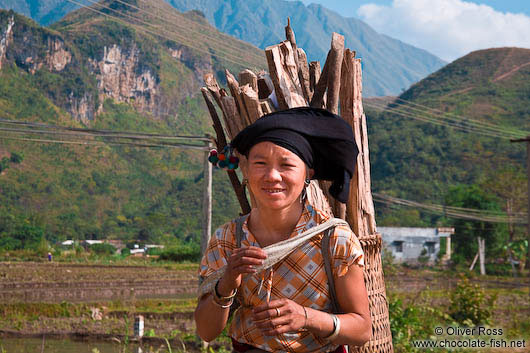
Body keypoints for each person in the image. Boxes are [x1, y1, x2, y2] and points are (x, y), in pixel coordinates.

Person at [195, 107, 371, 352]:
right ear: (245, 170)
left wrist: (306, 317)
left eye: (286, 165)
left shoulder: (333, 240)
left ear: (308, 173)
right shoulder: (228, 239)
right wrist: (226, 282)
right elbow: (206, 332)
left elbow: (362, 329)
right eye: (260, 163)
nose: (272, 176)